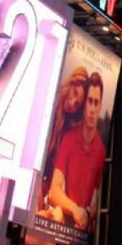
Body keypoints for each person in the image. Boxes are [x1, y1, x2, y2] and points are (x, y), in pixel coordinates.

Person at [47, 72, 106, 231]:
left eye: (96, 103)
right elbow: (54, 190)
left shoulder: (101, 151)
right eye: (89, 102)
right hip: (60, 226)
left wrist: (88, 215)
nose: (92, 109)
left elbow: (100, 199)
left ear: (100, 106)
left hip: (82, 235)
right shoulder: (69, 138)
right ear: (84, 105)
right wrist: (75, 210)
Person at [40, 66, 88, 201]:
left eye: (77, 104)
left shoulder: (66, 127)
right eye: (74, 92)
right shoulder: (50, 98)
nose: (72, 103)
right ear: (71, 84)